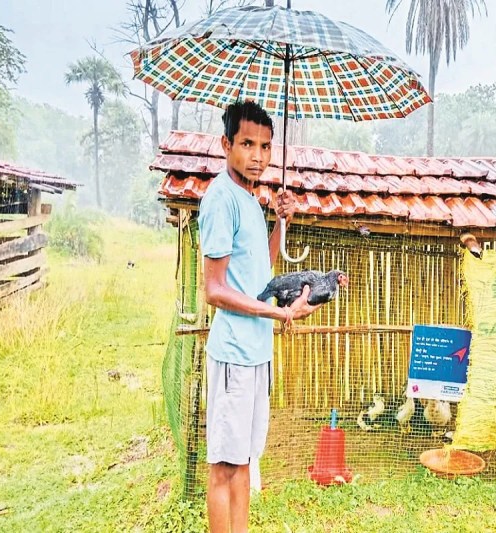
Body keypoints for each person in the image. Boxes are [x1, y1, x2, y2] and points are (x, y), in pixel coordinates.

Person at [199, 100, 320, 533]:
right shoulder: (221, 199)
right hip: (233, 355)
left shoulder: (251, 200)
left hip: (256, 354)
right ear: (226, 144)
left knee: (247, 462)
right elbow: (214, 289)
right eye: (247, 144)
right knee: (225, 468)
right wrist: (278, 312)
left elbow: (259, 273)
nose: (258, 156)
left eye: (266, 147)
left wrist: (280, 224)